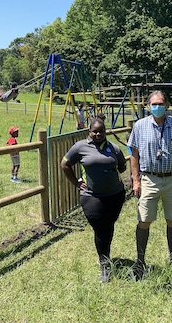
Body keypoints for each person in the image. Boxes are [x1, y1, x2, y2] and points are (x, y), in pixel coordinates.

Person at [128, 90, 172, 280]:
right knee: (144, 220)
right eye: (153, 104)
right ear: (148, 106)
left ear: (167, 105)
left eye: (160, 103)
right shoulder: (140, 126)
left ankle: (171, 259)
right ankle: (140, 262)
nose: (157, 107)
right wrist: (136, 180)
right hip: (149, 178)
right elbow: (134, 154)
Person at [60, 118, 127, 282]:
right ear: (89, 132)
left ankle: (105, 254)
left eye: (101, 131)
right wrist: (76, 182)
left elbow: (122, 166)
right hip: (91, 196)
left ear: (105, 132)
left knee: (109, 226)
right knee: (101, 227)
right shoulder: (80, 147)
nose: (98, 134)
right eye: (94, 131)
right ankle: (105, 264)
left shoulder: (113, 147)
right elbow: (65, 164)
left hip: (115, 195)